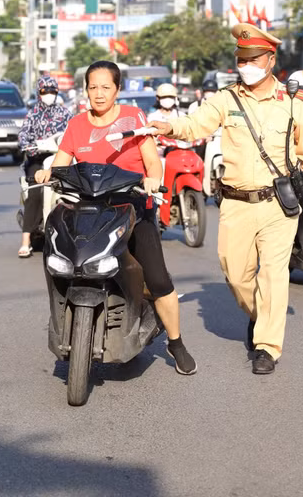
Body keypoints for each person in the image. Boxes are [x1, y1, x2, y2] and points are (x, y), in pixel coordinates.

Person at [148, 23, 303, 375]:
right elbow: (195, 124)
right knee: (236, 275)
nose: (246, 65)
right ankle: (260, 316)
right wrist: (169, 127)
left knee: (274, 275)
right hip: (235, 203)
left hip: (278, 203)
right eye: (241, 59)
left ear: (270, 60)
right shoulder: (225, 99)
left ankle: (266, 347)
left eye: (253, 59)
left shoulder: (292, 103)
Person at [35, 60, 197, 376]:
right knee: (67, 260)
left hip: (133, 207)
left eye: (105, 87)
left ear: (117, 89)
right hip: (90, 209)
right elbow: (61, 163)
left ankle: (176, 343)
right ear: (85, 90)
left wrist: (152, 179)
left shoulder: (133, 118)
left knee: (158, 280)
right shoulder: (77, 125)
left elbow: (152, 162)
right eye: (93, 87)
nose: (99, 94)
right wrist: (47, 173)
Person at [16, 76, 72, 258]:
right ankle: (26, 240)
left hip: (60, 158)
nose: (49, 94)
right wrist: (30, 146)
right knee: (35, 193)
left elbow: (75, 132)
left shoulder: (65, 113)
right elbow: (23, 136)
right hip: (38, 159)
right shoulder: (32, 115)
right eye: (44, 91)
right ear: (38, 93)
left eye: (52, 91)